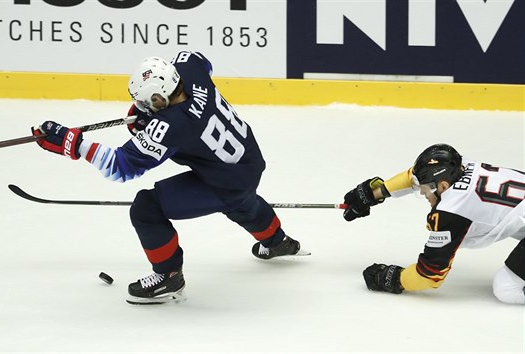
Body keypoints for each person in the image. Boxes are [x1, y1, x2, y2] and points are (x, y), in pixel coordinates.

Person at [31, 52, 306, 305]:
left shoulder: (172, 126)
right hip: (246, 161)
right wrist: (151, 117)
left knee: (146, 208)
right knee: (242, 201)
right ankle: (277, 241)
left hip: (225, 179)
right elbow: (201, 60)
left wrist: (74, 144)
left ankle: (168, 277)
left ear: (158, 99)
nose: (139, 106)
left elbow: (120, 167)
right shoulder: (189, 70)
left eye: (143, 102)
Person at [342, 143, 524, 304]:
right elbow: (413, 176)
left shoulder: (452, 212)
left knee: (507, 288)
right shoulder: (460, 165)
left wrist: (395, 279)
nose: (422, 194)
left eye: (425, 190)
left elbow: (430, 274)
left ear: (444, 187)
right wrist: (375, 193)